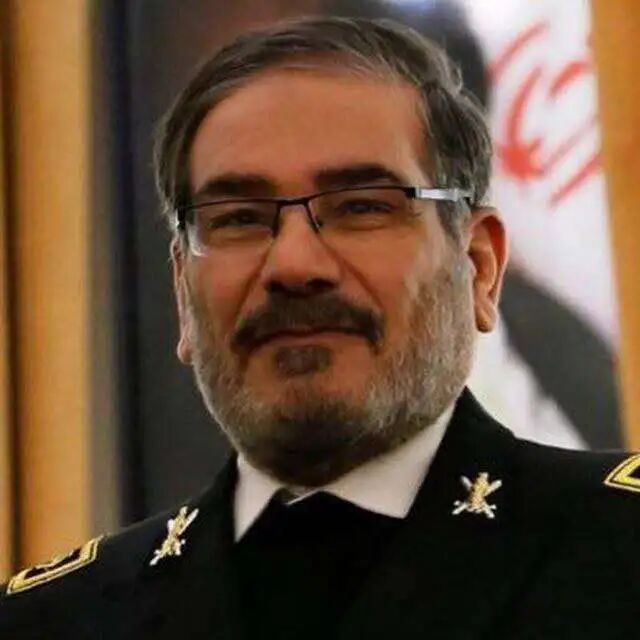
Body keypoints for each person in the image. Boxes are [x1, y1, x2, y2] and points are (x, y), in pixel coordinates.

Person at [1, 16, 638, 640]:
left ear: (479, 267)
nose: (294, 265)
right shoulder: (52, 619)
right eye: (239, 218)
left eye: (361, 207)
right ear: (181, 293)